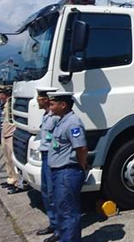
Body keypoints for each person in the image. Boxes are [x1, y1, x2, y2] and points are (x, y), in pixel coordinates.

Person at [48, 92, 87, 242]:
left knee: (68, 212)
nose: (50, 107)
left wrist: (81, 165)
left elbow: (81, 148)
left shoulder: (72, 123)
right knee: (62, 210)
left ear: (63, 105)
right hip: (59, 172)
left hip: (67, 172)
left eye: (53, 104)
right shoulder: (62, 121)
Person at [35, 87, 60, 242]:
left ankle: (59, 229)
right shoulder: (46, 115)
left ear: (45, 99)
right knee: (45, 191)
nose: (36, 101)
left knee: (53, 193)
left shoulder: (55, 117)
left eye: (39, 98)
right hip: (44, 156)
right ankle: (53, 223)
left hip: (51, 157)